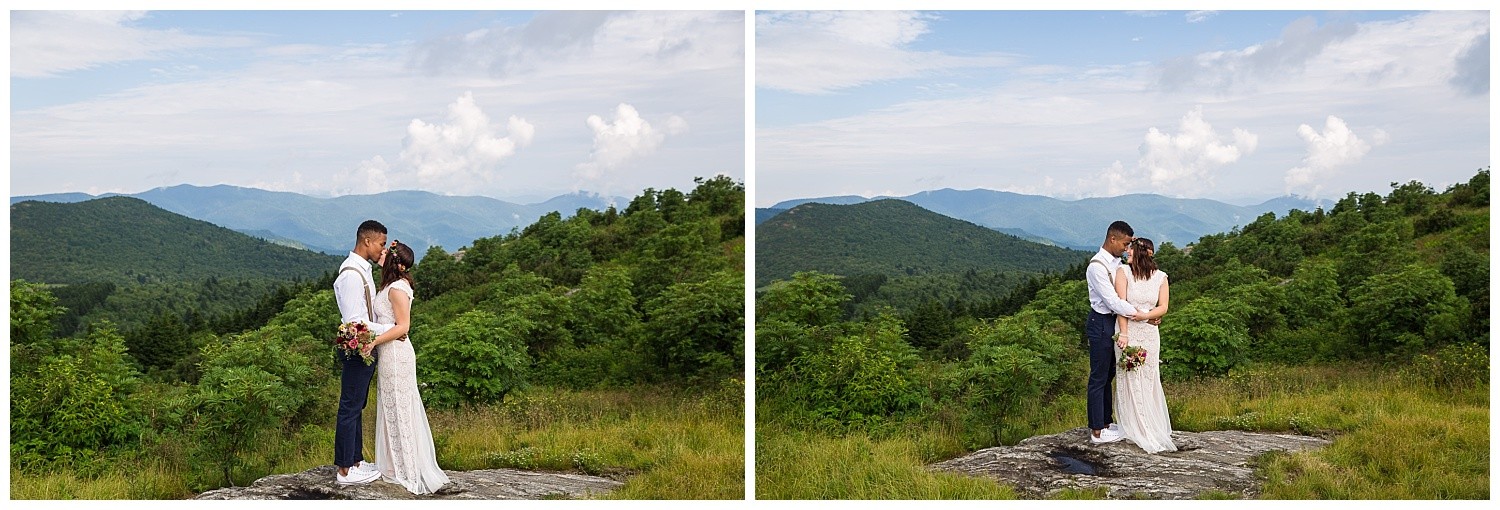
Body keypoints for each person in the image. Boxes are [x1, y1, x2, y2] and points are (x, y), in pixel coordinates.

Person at [359, 240, 449, 494]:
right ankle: (395, 466)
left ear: (394, 263)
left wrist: (374, 340)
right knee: (391, 407)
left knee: (399, 409)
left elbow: (403, 326)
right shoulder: (390, 285)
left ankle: (408, 471)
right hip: (390, 354)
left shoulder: (397, 288)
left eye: (387, 252)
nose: (383, 253)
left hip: (397, 355)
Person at [333, 220, 393, 485]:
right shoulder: (350, 276)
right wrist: (390, 328)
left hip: (366, 348)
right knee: (349, 406)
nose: (383, 249)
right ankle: (345, 469)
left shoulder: (363, 270)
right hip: (357, 349)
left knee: (358, 405)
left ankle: (355, 460)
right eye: (381, 243)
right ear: (366, 241)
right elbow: (355, 321)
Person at [1112, 238, 1176, 453]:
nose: (1126, 253)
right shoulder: (1123, 272)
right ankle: (1133, 427)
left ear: (1140, 252)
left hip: (1149, 333)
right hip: (1127, 331)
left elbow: (1164, 306)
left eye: (1129, 250)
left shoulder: (1161, 277)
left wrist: (1147, 316)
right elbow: (1121, 305)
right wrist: (1124, 334)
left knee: (1149, 378)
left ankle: (1151, 426)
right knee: (1129, 377)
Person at [1084, 221, 1140, 444]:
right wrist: (1142, 313)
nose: (1127, 249)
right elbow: (1113, 301)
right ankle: (1097, 430)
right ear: (1112, 239)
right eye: (1125, 244)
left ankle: (1106, 421)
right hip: (1100, 322)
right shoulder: (1097, 267)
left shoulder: (1117, 262)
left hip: (1112, 322)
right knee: (1098, 376)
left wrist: (1137, 244)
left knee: (1109, 374)